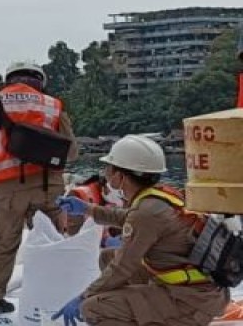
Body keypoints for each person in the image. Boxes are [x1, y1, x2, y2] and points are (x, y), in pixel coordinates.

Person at [54, 135, 230, 326]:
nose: (105, 173)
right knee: (106, 257)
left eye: (110, 169)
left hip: (190, 302)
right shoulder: (161, 197)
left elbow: (123, 267)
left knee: (93, 308)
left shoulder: (147, 212)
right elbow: (128, 217)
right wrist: (87, 209)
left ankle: (165, 318)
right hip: (200, 290)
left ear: (121, 177)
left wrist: (83, 297)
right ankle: (145, 310)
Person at [0, 60, 77, 315]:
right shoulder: (52, 105)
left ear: (8, 79)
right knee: (52, 241)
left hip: (5, 188)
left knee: (4, 243)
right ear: (40, 80)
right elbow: (72, 150)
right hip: (48, 185)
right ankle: (56, 295)